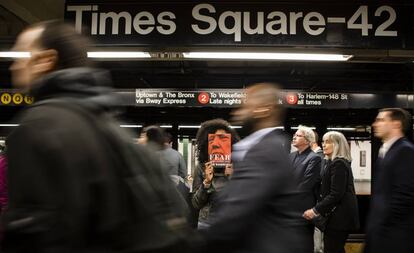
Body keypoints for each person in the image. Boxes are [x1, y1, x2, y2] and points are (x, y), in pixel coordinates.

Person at [3, 21, 190, 252]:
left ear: (46, 60)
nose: (14, 65)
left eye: (22, 55)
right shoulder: (109, 127)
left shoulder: (39, 125)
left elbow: (38, 235)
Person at [202, 83, 313, 253]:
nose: (237, 111)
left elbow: (233, 216)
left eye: (245, 104)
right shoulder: (262, 147)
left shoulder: (265, 152)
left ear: (264, 109)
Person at [364, 108, 414, 253]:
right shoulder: (386, 150)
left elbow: (405, 196)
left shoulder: (406, 151)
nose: (375, 124)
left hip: (394, 237)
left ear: (396, 124)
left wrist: (382, 226)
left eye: (381, 120)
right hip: (380, 235)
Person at [303, 131, 359, 253]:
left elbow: (336, 194)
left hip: (340, 219)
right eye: (323, 141)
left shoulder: (338, 163)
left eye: (328, 142)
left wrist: (315, 210)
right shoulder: (331, 162)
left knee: (332, 249)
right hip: (336, 218)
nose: (323, 144)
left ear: (338, 145)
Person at [191, 119, 239, 229]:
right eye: (212, 140)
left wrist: (232, 178)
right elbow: (196, 204)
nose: (217, 144)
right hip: (206, 223)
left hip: (231, 223)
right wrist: (206, 183)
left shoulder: (237, 166)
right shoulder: (202, 167)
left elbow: (244, 200)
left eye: (223, 139)